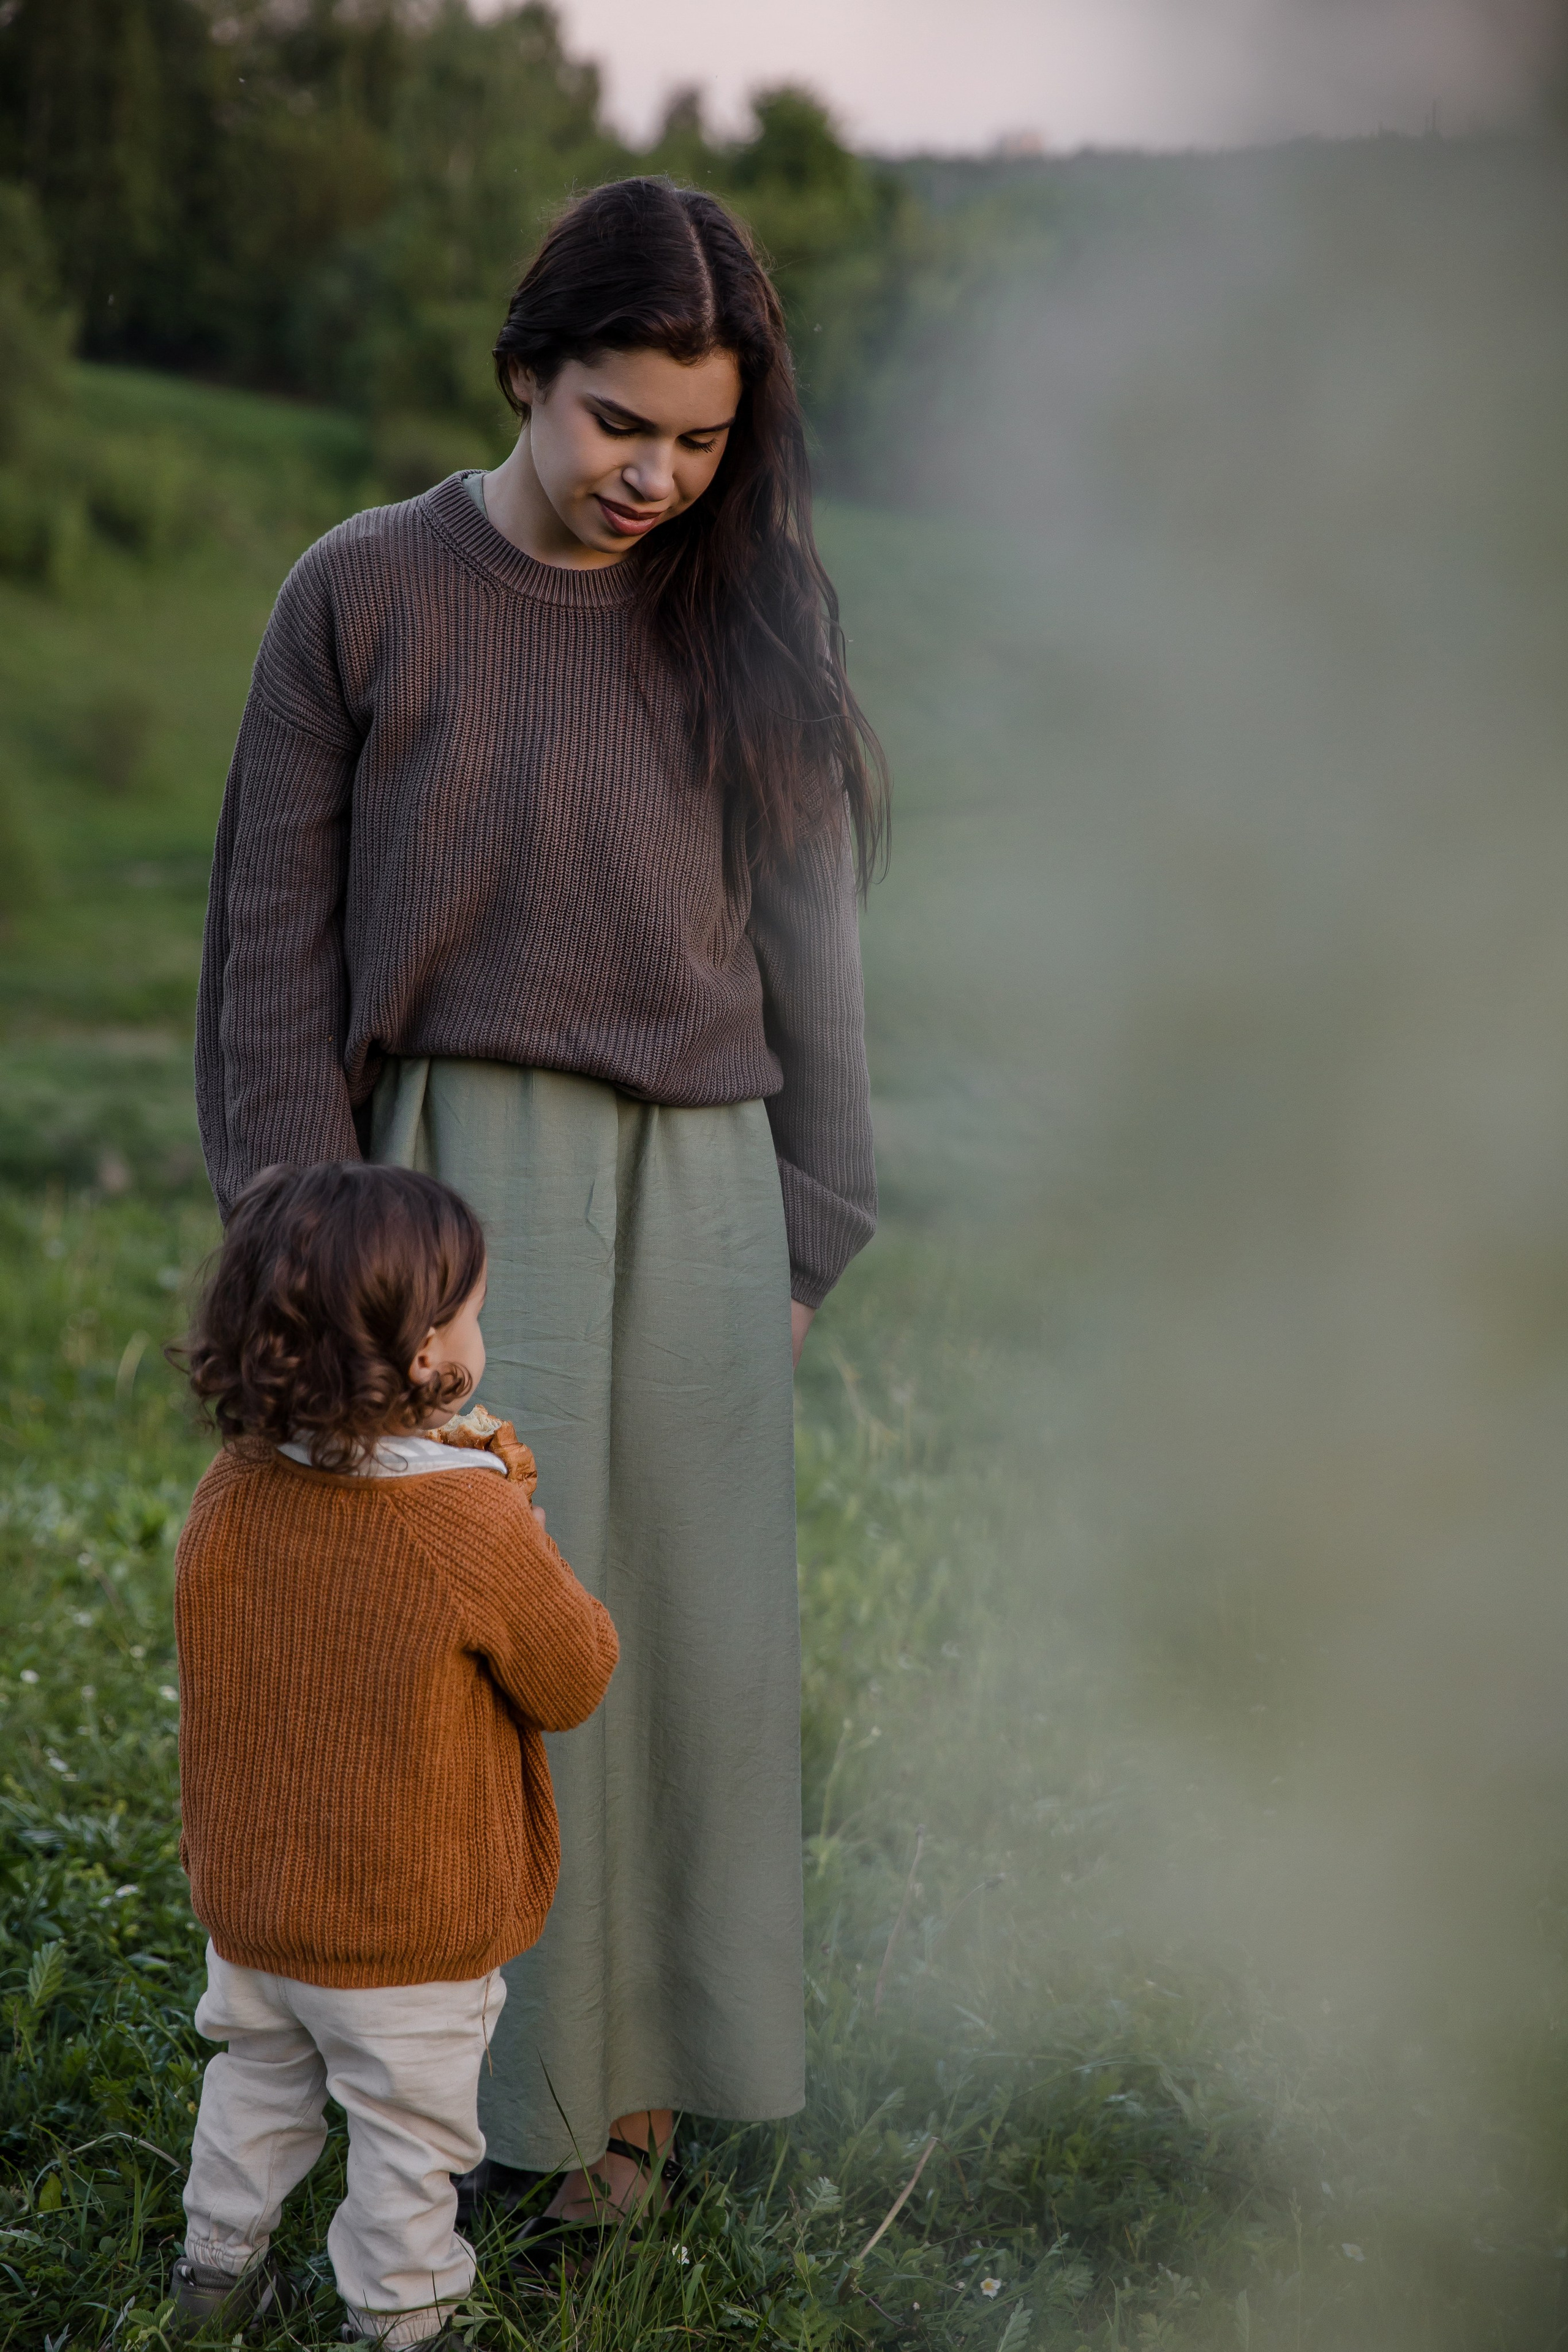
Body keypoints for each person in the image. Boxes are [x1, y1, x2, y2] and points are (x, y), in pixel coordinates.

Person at [194, 174, 888, 2238]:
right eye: (616, 420)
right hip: (442, 1202)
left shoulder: (747, 614)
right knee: (446, 1656)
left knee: (660, 1646)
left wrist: (816, 1220)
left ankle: (638, 2106)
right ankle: (467, 2092)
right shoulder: (365, 591)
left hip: (701, 1186)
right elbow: (268, 944)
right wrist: (306, 1251)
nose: (655, 473)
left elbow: (815, 944)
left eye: (698, 435)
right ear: (526, 375)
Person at [169, 1161, 619, 2344]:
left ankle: (215, 2277)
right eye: (471, 1309)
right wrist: (513, 1512)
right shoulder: (466, 1518)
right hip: (406, 1933)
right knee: (411, 2149)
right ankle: (405, 2321)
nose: (483, 1329)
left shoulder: (232, 1489)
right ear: (426, 1356)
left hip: (257, 1915)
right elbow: (573, 1678)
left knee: (255, 2089)